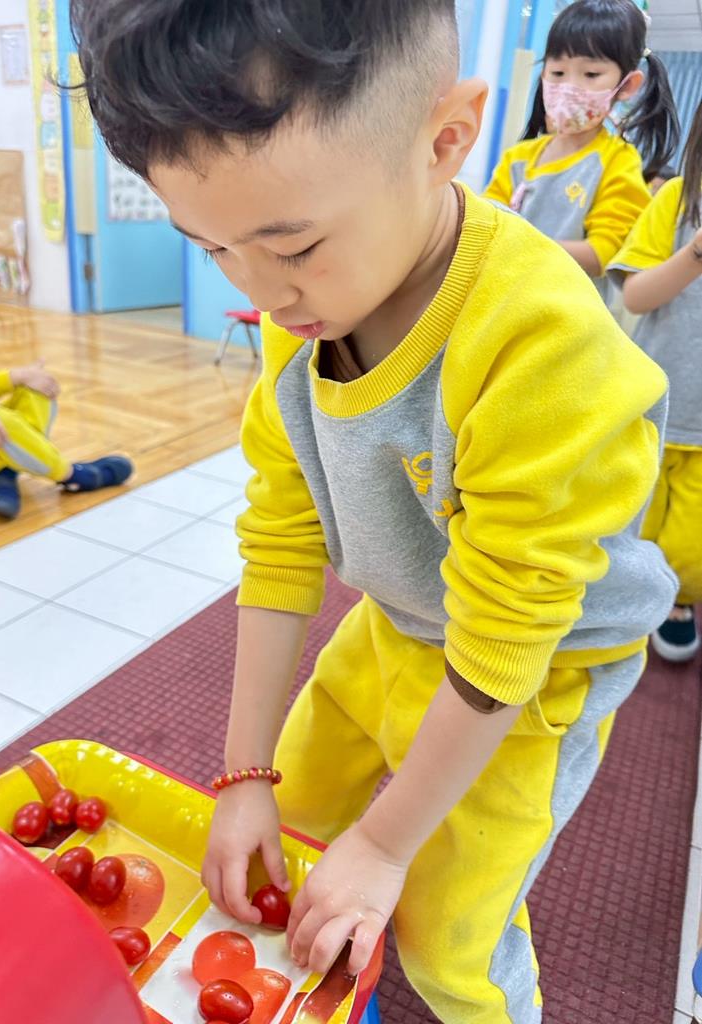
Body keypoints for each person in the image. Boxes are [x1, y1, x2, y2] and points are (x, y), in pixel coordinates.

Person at [72, 2, 677, 1021]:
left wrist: (389, 844)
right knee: (292, 825)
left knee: (447, 937)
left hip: (535, 671)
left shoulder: (542, 344)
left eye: (295, 245)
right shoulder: (304, 310)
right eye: (212, 248)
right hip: (398, 621)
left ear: (445, 139)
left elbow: (506, 635)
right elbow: (280, 535)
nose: (263, 295)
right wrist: (243, 772)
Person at [484, 0, 679, 282]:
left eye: (591, 74)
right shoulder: (517, 158)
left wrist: (518, 244)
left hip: (563, 303)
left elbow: (601, 253)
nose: (569, 86)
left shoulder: (617, 161)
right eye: (558, 73)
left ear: (627, 85)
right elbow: (485, 223)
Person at [608, 100, 702, 662]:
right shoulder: (677, 200)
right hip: (656, 406)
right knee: (627, 520)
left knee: (691, 547)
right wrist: (695, 252)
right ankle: (625, 599)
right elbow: (636, 295)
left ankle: (678, 597)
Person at [0, 260, 133, 519]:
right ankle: (72, 475)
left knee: (38, 389)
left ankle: (4, 472)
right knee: (3, 420)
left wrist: (21, 378)